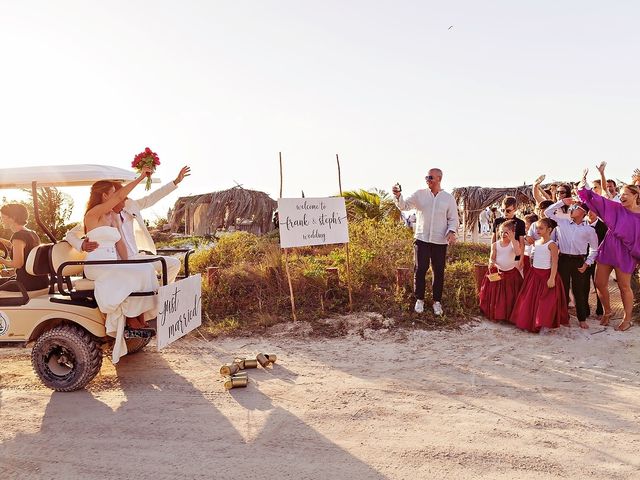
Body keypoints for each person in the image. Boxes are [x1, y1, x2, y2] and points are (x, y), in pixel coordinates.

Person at [83, 167, 159, 363]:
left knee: (144, 269)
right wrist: (142, 177)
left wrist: (129, 263)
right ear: (106, 195)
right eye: (114, 193)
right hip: (98, 264)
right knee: (130, 275)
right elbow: (119, 198)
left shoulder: (113, 216)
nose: (118, 196)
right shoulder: (93, 214)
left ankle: (137, 318)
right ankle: (130, 319)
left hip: (111, 262)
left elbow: (121, 244)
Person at [66, 166, 191, 283]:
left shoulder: (129, 206)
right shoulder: (97, 219)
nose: (126, 200)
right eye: (123, 197)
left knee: (174, 264)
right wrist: (82, 244)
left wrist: (175, 182)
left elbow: (152, 198)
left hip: (135, 257)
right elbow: (70, 235)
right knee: (146, 273)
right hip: (115, 261)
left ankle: (162, 294)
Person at [577, 170, 640, 331]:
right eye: (623, 193)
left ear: (635, 196)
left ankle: (627, 318)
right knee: (599, 282)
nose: (623, 196)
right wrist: (584, 185)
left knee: (624, 286)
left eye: (627, 193)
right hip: (608, 246)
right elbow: (599, 201)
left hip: (626, 253)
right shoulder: (617, 208)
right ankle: (608, 311)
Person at [392, 168, 459, 316]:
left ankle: (437, 302)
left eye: (430, 177)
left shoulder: (448, 198)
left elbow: (453, 218)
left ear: (439, 178)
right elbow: (404, 206)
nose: (427, 179)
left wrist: (452, 232)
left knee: (438, 272)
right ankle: (420, 299)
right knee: (420, 269)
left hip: (440, 241)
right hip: (421, 239)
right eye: (426, 177)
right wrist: (398, 196)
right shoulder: (419, 194)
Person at [544, 199, 599, 329]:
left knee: (579, 291)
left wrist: (587, 263)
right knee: (562, 289)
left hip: (579, 261)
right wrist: (562, 201)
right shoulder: (562, 222)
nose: (572, 208)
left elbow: (594, 248)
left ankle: (582, 318)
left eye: (576, 207)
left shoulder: (589, 230)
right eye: (572, 206)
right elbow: (548, 212)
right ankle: (564, 317)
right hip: (563, 260)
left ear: (583, 212)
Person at [510, 218, 568, 333]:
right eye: (537, 228)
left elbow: (555, 263)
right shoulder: (535, 243)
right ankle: (530, 322)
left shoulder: (552, 245)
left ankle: (543, 323)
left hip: (546, 275)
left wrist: (552, 278)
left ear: (549, 229)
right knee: (530, 299)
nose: (538, 230)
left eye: (541, 228)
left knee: (545, 302)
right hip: (535, 275)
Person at [479, 220, 523, 321]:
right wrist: (491, 262)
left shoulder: (514, 243)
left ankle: (509, 316)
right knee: (497, 297)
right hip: (498, 272)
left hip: (511, 274)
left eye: (506, 232)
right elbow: (492, 257)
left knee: (509, 297)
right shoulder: (495, 244)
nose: (503, 234)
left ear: (512, 232)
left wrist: (513, 239)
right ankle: (497, 314)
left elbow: (518, 253)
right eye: (501, 232)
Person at [0, 204, 49, 293]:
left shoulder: (18, 236)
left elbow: (18, 264)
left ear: (13, 218)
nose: (1, 220)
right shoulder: (32, 233)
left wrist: (2, 261)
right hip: (41, 281)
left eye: (3, 217)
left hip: (26, 284)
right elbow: (23, 250)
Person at [491, 196, 526, 269]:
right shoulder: (497, 221)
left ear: (515, 209)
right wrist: (492, 256)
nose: (505, 213)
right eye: (503, 210)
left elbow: (522, 242)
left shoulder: (520, 223)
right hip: (500, 255)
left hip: (514, 254)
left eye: (508, 210)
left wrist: (521, 258)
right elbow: (493, 238)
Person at [585, 209, 607, 318]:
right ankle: (585, 309)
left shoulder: (603, 226)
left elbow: (605, 244)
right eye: (588, 210)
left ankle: (600, 310)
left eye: (593, 211)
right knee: (583, 285)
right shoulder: (581, 224)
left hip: (598, 259)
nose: (590, 213)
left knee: (598, 284)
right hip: (583, 259)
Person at [522, 213, 538, 277]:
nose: (524, 225)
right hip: (525, 259)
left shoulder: (532, 236)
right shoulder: (525, 234)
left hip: (530, 259)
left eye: (526, 223)